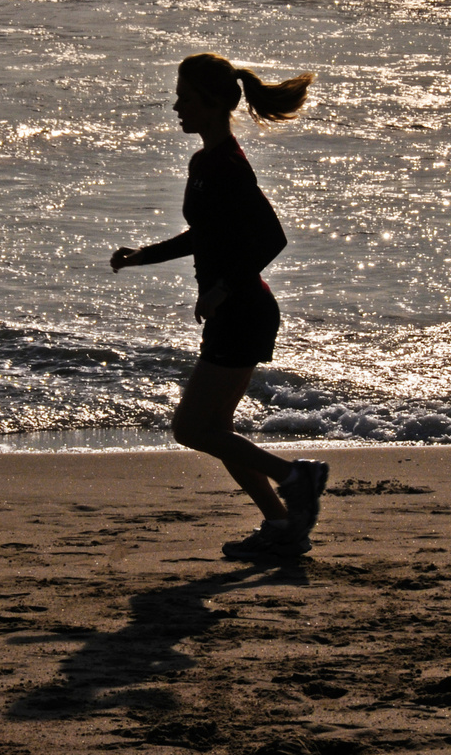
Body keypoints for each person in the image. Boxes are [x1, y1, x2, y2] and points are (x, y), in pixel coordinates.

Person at [111, 53, 328, 561]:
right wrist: (144, 256)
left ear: (209, 103)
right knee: (217, 432)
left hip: (243, 311)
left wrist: (223, 289)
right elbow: (204, 235)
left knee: (192, 429)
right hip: (238, 312)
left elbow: (273, 238)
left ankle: (297, 477)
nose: (175, 106)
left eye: (184, 97)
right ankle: (282, 523)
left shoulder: (226, 163)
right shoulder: (206, 161)